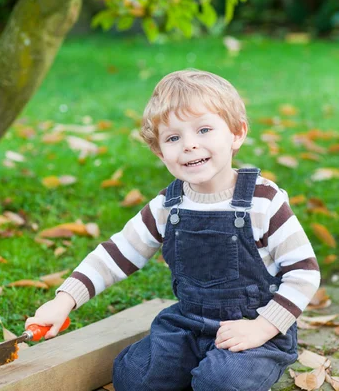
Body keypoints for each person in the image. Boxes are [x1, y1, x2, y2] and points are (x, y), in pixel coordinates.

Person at [25, 69, 320, 390]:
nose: (190, 145)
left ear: (237, 133)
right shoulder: (168, 205)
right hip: (189, 323)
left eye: (204, 129)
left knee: (221, 382)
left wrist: (264, 327)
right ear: (159, 150)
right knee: (134, 374)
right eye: (173, 137)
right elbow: (117, 254)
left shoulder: (263, 201)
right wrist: (64, 301)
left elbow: (304, 273)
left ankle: (225, 371)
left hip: (254, 329)